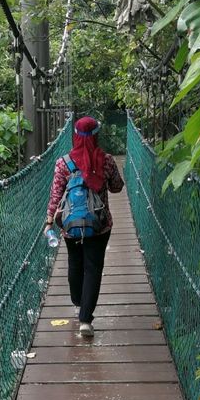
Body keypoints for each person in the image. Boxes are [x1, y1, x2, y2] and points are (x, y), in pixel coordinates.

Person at [44, 116, 124, 337]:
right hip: (99, 225)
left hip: (70, 226)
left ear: (75, 136)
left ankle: (79, 302)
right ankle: (85, 320)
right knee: (93, 268)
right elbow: (117, 187)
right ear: (97, 135)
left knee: (75, 263)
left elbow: (55, 195)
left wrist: (50, 221)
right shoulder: (106, 160)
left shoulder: (64, 162)